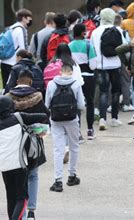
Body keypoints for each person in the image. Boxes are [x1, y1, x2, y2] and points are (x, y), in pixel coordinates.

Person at [0, 96, 47, 220]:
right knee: (22, 197)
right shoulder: (18, 117)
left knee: (11, 198)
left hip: (4, 165)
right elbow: (43, 115)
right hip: (19, 163)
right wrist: (32, 129)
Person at [6, 70, 49, 220]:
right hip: (32, 144)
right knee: (33, 176)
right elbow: (45, 121)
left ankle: (21, 213)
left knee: (18, 180)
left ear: (17, 81)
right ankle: (31, 210)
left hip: (14, 144)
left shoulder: (7, 98)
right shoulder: (37, 98)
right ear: (30, 82)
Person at [45, 64, 86, 193]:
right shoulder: (76, 84)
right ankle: (72, 175)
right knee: (74, 147)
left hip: (56, 119)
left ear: (60, 71)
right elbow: (81, 105)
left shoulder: (51, 84)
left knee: (58, 149)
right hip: (72, 119)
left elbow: (47, 104)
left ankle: (58, 181)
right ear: (72, 72)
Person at [90, 8, 123, 130]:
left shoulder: (95, 32)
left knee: (103, 91)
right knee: (115, 91)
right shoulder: (118, 30)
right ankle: (114, 118)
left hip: (101, 66)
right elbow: (123, 47)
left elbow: (92, 48)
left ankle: (102, 118)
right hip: (116, 65)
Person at [69, 23, 98, 140]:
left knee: (77, 104)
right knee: (90, 103)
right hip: (88, 77)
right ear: (82, 33)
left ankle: (78, 132)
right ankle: (90, 130)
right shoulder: (88, 45)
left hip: (74, 77)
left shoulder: (69, 45)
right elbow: (93, 65)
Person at [0, 9, 33, 88]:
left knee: (6, 87)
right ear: (24, 18)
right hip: (14, 63)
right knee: (16, 87)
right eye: (29, 19)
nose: (30, 21)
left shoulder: (10, 28)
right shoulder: (21, 30)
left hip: (4, 61)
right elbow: (23, 48)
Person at [114, 14, 134, 112]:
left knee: (112, 82)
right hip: (121, 60)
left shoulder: (107, 31)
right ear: (121, 21)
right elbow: (127, 46)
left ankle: (111, 104)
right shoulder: (123, 32)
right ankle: (126, 104)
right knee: (125, 82)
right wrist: (127, 63)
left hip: (110, 61)